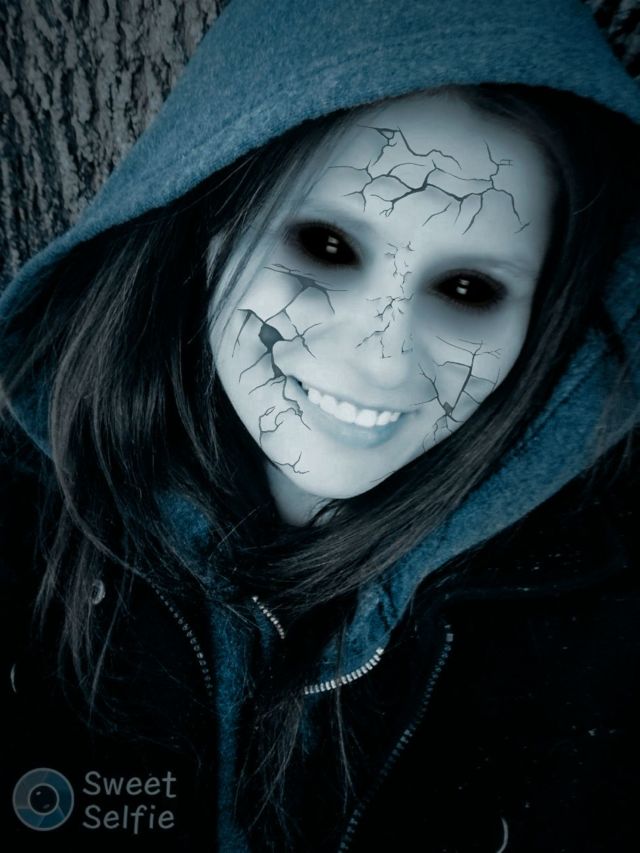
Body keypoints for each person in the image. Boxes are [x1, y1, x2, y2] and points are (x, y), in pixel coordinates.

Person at [1, 0, 638, 850]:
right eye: (328, 245)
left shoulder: (605, 630)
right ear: (212, 215)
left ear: (543, 317)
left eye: (468, 289)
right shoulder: (23, 522)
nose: (381, 359)